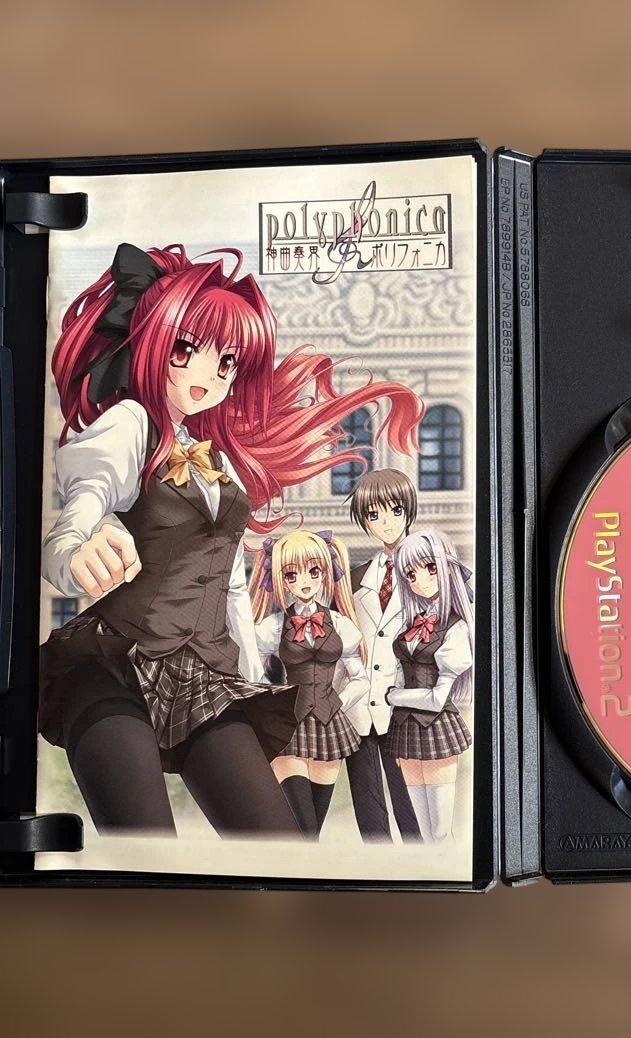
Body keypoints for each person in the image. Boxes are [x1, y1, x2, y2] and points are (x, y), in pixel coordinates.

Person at [39, 242, 423, 836]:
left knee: (276, 845)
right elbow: (77, 518)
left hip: (206, 677)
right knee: (145, 850)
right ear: (151, 343)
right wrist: (75, 552)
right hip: (118, 665)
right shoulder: (131, 424)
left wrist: (246, 667)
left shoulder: (218, 460)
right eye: (187, 350)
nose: (209, 375)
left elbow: (232, 584)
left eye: (226, 364)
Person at [251, 530, 366, 839]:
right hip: (287, 725)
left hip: (330, 725)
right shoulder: (273, 626)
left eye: (313, 571)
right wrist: (271, 703)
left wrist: (338, 701)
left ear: (325, 573)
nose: (304, 580)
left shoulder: (341, 624)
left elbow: (360, 678)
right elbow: (253, 673)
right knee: (303, 827)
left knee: (312, 832)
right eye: (292, 574)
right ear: (281, 579)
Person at [344, 469, 422, 841]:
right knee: (368, 804)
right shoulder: (355, 577)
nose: (386, 523)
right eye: (374, 515)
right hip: (360, 703)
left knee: (412, 803)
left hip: (406, 704)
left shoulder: (430, 574)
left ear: (408, 510)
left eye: (395, 510)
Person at [387, 529, 474, 841]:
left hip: (436, 725)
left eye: (430, 567)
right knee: (423, 830)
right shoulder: (412, 623)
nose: (419, 580)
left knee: (439, 829)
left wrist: (395, 697)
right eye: (410, 574)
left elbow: (438, 699)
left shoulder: (457, 628)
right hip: (405, 727)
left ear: (446, 566)